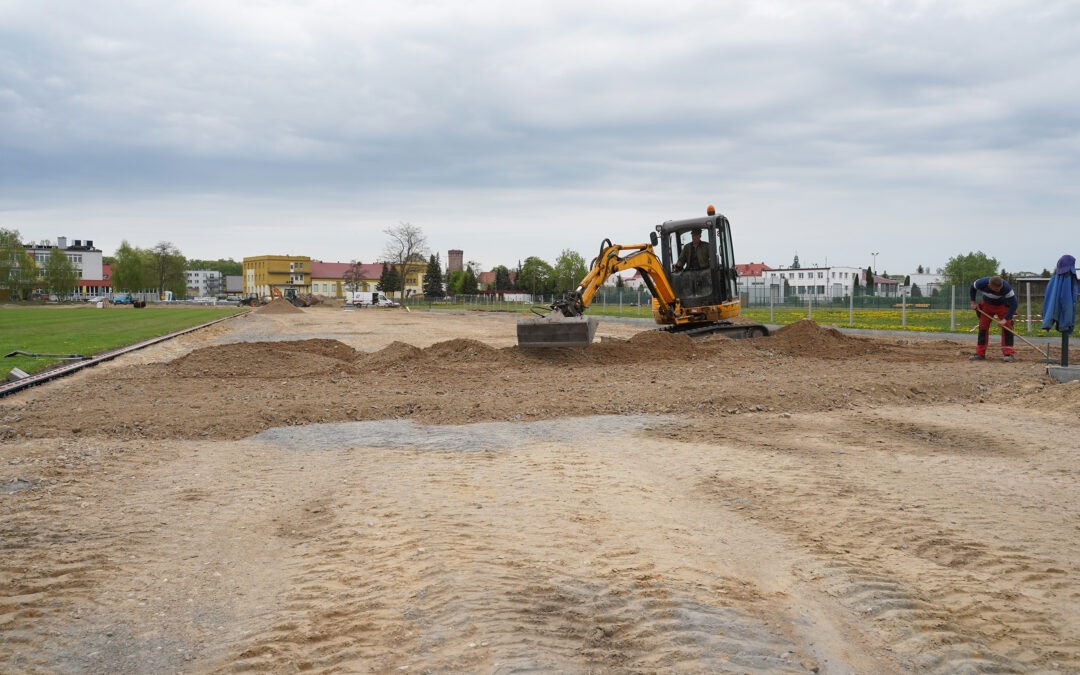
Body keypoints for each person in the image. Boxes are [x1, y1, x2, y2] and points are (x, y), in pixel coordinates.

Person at [969, 275, 1018, 361]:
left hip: (1002, 305)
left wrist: (1005, 319)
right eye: (996, 289)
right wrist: (973, 302)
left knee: (1007, 326)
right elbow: (972, 288)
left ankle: (1009, 354)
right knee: (983, 327)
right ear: (989, 286)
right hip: (986, 305)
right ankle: (980, 353)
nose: (999, 291)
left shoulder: (1007, 288)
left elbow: (1014, 305)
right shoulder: (981, 283)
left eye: (1000, 288)